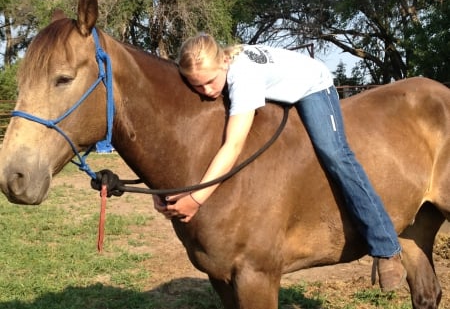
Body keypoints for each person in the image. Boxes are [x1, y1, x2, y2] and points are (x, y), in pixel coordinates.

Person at [152, 33, 406, 292]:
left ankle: (386, 247)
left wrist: (195, 199)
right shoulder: (221, 71)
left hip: (312, 86)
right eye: (197, 86)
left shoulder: (243, 77)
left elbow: (234, 144)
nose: (206, 91)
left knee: (335, 154)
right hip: (279, 86)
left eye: (209, 82)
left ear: (224, 61)